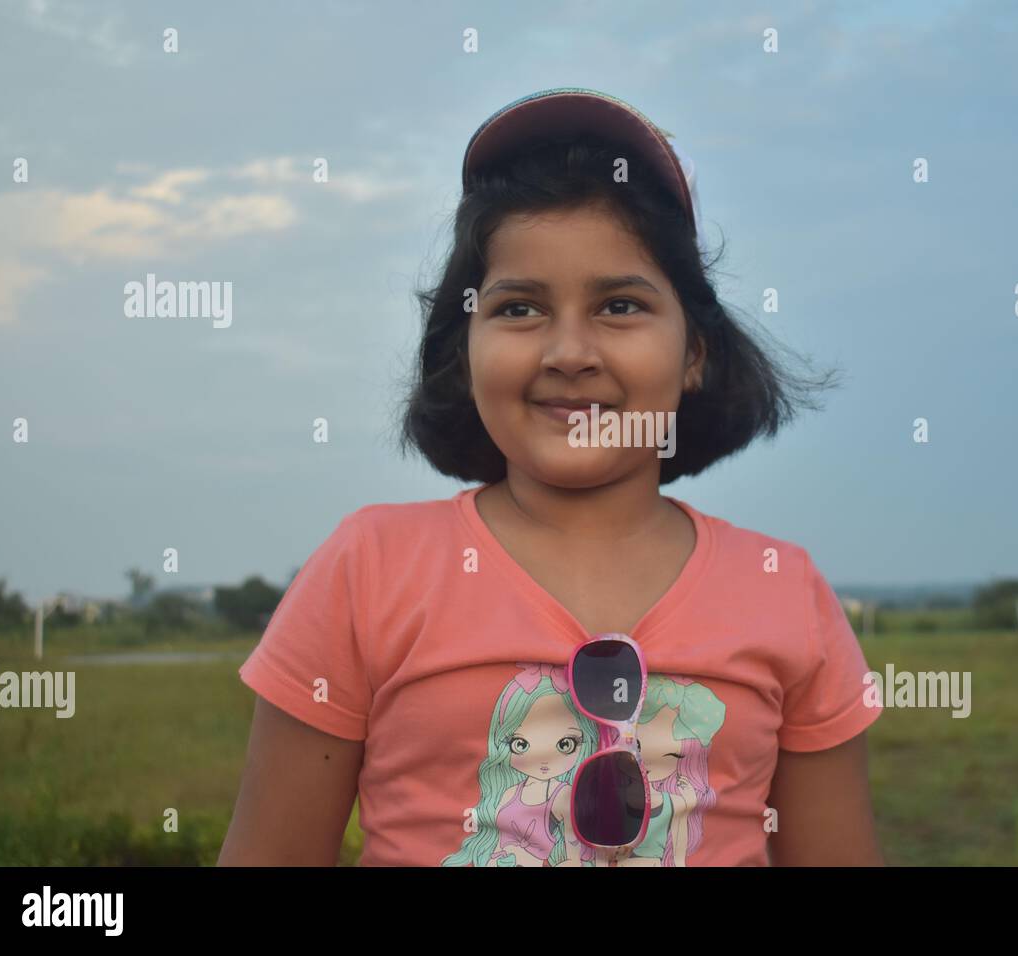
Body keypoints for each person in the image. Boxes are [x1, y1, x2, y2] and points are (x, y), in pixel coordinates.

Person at [217, 87, 883, 867]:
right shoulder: (367, 570)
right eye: (520, 309)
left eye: (621, 305)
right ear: (462, 349)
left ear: (696, 352)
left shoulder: (784, 590)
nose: (569, 351)